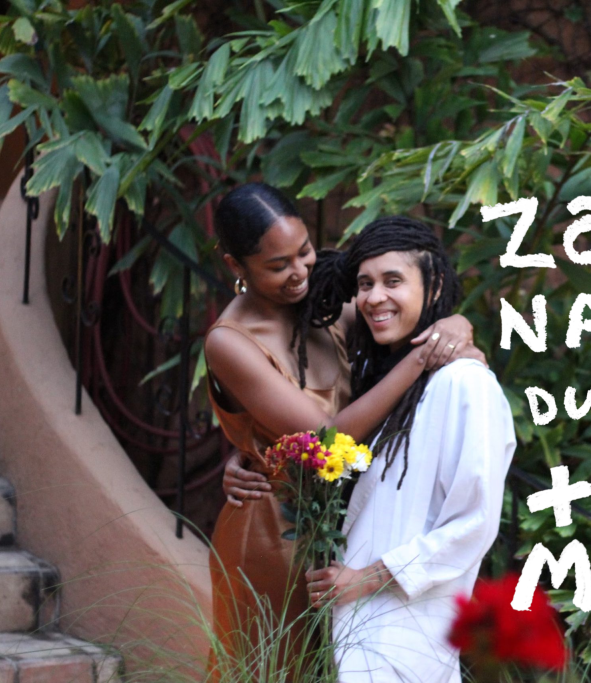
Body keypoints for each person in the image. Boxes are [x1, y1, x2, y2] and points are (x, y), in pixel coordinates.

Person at [203, 185, 483, 681]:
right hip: (274, 534)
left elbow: (398, 317)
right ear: (235, 266)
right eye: (277, 265)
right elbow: (326, 439)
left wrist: (455, 324)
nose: (300, 273)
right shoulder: (230, 342)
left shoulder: (323, 303)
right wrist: (424, 358)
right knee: (274, 669)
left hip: (344, 524)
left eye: (304, 251)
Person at [303, 216, 516, 683]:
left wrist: (366, 579)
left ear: (434, 282)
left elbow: (473, 524)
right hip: (360, 631)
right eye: (365, 284)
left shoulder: (465, 384)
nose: (375, 296)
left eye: (392, 281)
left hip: (407, 633)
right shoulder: (378, 376)